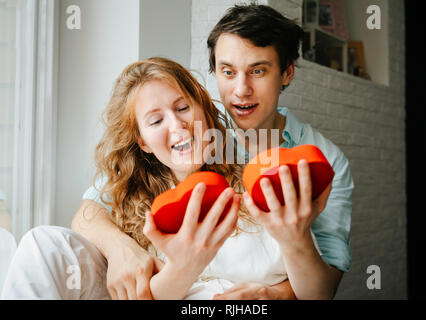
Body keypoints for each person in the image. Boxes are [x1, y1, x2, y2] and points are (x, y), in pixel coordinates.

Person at [73, 3, 353, 300]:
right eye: (228, 72)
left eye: (258, 71)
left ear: (286, 72)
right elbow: (91, 209)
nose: (241, 89)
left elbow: (324, 285)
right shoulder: (199, 134)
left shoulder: (324, 159)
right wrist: (121, 250)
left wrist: (274, 294)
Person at [2, 57, 323, 299]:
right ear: (142, 141)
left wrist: (295, 244)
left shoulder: (258, 186)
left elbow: (316, 292)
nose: (177, 126)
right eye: (156, 121)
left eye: (183, 107)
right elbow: (87, 215)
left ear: (205, 111)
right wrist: (129, 251)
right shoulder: (131, 198)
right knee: (42, 242)